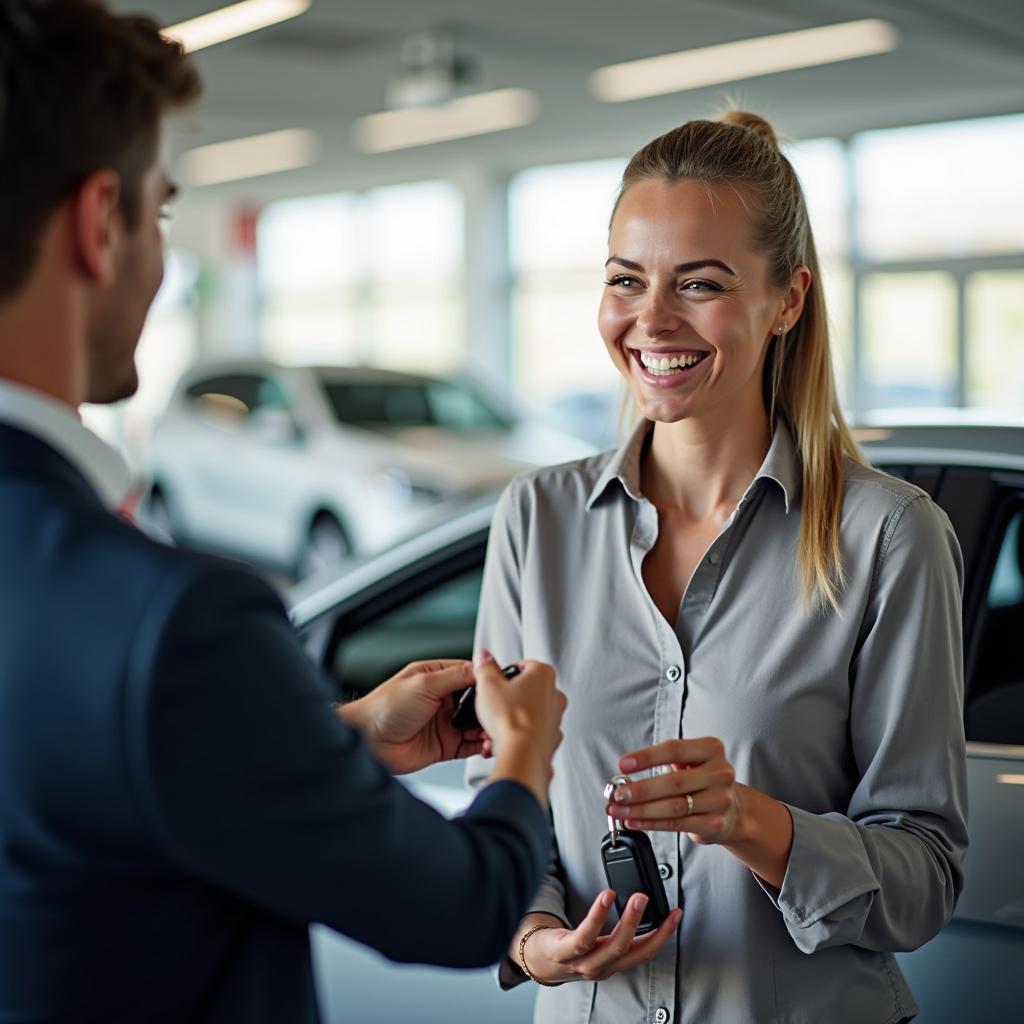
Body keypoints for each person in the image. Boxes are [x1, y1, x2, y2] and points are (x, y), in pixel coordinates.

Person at [0, 3, 566, 1022]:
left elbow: (85, 790)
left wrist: (331, 741)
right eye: (160, 214)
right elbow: (463, 905)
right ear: (99, 224)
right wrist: (523, 746)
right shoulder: (172, 625)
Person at [469, 111, 967, 1023]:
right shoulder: (534, 520)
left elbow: (925, 877)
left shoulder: (891, 538)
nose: (651, 320)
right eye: (627, 280)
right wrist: (539, 944)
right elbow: (503, 799)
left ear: (788, 300)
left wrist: (750, 820)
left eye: (699, 285)